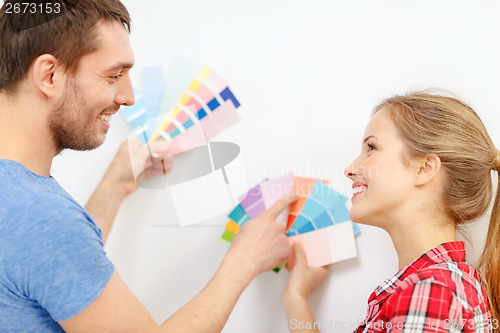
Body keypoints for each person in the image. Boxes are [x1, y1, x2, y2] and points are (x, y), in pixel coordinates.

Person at [0, 1, 297, 331]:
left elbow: (42, 259)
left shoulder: (21, 206)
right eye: (114, 75)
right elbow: (47, 237)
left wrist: (114, 185)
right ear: (49, 75)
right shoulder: (41, 217)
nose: (128, 97)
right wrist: (245, 261)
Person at [284, 92, 500, 332]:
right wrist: (296, 296)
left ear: (425, 167)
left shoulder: (430, 293)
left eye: (371, 147)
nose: (350, 169)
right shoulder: (440, 286)